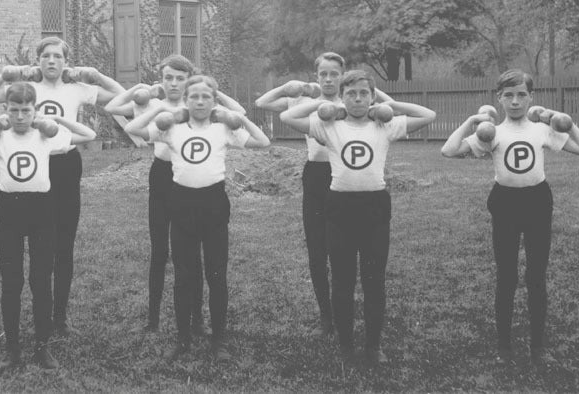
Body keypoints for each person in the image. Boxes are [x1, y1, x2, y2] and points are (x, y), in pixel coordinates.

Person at [440, 69, 579, 366]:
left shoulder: (541, 129)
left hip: (537, 201)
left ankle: (538, 347)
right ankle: (504, 347)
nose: (515, 101)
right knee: (507, 276)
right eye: (508, 95)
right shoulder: (492, 132)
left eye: (521, 95)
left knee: (536, 276)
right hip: (505, 203)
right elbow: (448, 151)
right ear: (498, 99)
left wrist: (562, 119)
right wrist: (471, 122)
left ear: (531, 98)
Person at [280, 69, 434, 366]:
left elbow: (428, 114)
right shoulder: (330, 127)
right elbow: (288, 118)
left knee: (374, 281)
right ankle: (346, 347)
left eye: (364, 93)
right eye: (351, 93)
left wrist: (388, 106)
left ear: (372, 96)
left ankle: (373, 346)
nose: (358, 98)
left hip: (375, 206)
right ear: (342, 97)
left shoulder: (384, 125)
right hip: (339, 207)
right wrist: (326, 106)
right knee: (342, 280)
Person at [0, 81, 96, 370]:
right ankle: (12, 349)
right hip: (9, 213)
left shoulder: (47, 138)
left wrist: (53, 121)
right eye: (13, 110)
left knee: (41, 282)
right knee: (12, 283)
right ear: (6, 110)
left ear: (34, 110)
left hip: (42, 211)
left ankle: (42, 348)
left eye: (26, 110)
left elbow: (89, 133)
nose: (20, 116)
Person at [0, 36, 121, 337]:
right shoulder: (28, 90)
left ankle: (59, 317)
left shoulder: (75, 88)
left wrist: (92, 74)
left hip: (64, 164)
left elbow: (119, 96)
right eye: (46, 56)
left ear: (65, 61)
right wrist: (12, 72)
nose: (52, 61)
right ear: (38, 61)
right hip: (31, 168)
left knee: (63, 244)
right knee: (31, 245)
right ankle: (26, 319)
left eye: (58, 56)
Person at [125, 74, 270, 363]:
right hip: (181, 204)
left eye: (206, 97)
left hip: (214, 204)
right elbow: (133, 128)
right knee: (183, 276)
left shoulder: (222, 129)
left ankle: (218, 340)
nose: (200, 101)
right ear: (186, 101)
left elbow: (262, 140)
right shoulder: (173, 128)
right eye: (194, 97)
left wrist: (234, 117)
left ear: (214, 101)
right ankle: (183, 339)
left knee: (217, 276)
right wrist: (161, 111)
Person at [106, 54, 246, 334]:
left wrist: (214, 92)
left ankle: (197, 319)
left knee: (193, 256)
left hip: (191, 181)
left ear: (189, 81)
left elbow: (237, 112)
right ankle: (153, 318)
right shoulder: (155, 104)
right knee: (160, 250)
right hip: (162, 176)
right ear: (161, 80)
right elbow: (114, 107)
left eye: (180, 78)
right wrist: (144, 91)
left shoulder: (195, 104)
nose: (173, 83)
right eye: (168, 77)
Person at [255, 52, 392, 338]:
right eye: (323, 75)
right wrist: (288, 87)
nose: (328, 79)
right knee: (318, 252)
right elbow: (262, 103)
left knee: (350, 253)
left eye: (334, 74)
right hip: (317, 176)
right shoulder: (304, 102)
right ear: (315, 77)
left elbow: (386, 106)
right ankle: (327, 316)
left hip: (348, 176)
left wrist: (366, 93)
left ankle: (356, 317)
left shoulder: (352, 101)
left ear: (342, 76)